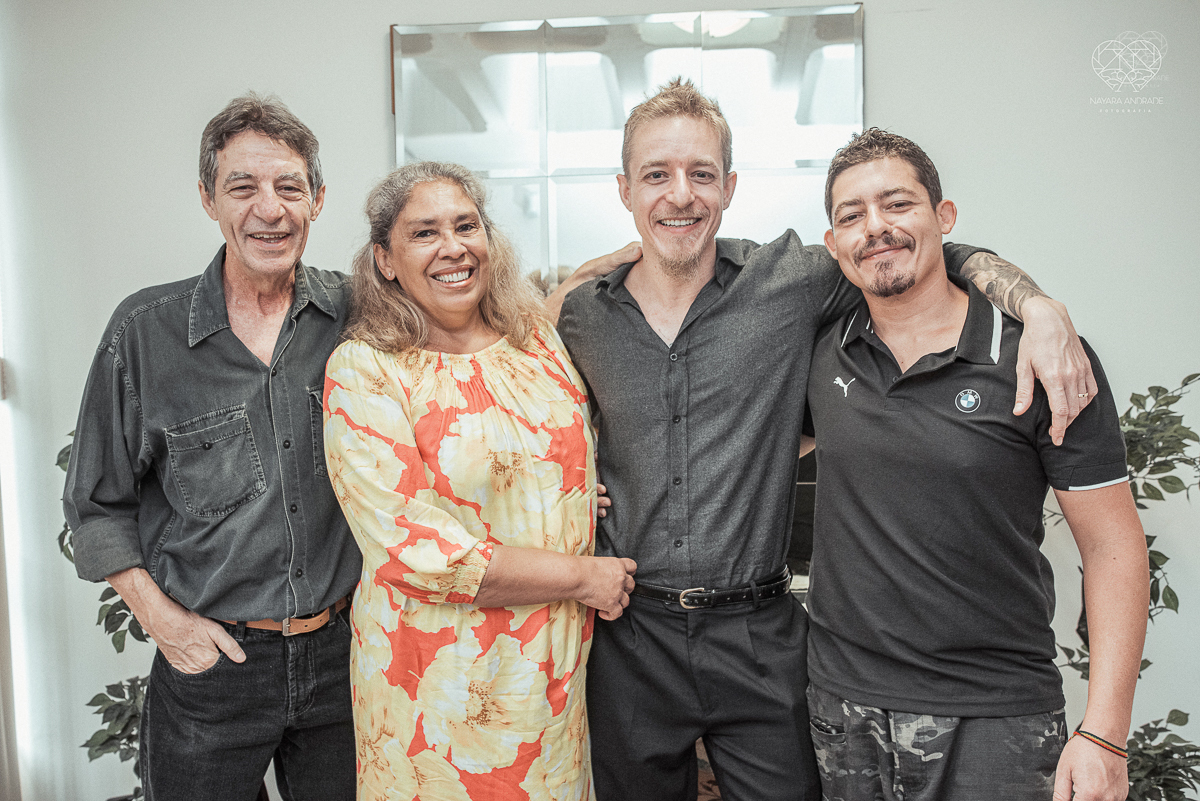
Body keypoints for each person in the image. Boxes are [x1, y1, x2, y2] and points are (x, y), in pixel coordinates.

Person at [556, 78, 1099, 801]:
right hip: (630, 637)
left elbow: (922, 252)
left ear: (730, 186)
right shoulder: (578, 316)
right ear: (625, 189)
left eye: (701, 174)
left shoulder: (797, 279)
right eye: (657, 175)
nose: (679, 194)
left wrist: (1039, 306)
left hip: (760, 634)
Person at [804, 128, 1149, 801]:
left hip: (996, 715)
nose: (876, 228)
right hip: (843, 707)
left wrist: (1106, 733)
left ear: (945, 218)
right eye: (852, 215)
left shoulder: (1043, 357)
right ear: (833, 244)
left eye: (898, 204)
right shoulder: (824, 352)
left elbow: (1113, 545)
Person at [63, 93, 361, 800]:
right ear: (207, 199)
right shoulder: (144, 332)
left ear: (318, 199)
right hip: (212, 668)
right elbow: (94, 508)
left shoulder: (357, 315)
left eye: (290, 186)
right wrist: (164, 623)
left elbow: (469, 329)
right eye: (243, 187)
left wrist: (632, 257)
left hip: (346, 660)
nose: (270, 208)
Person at [322, 161, 636, 800]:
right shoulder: (365, 371)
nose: (452, 247)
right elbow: (421, 556)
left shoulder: (537, 344)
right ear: (385, 260)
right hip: (439, 693)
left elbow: (557, 458)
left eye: (467, 226)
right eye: (424, 233)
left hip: (552, 686)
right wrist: (587, 576)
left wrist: (574, 490)